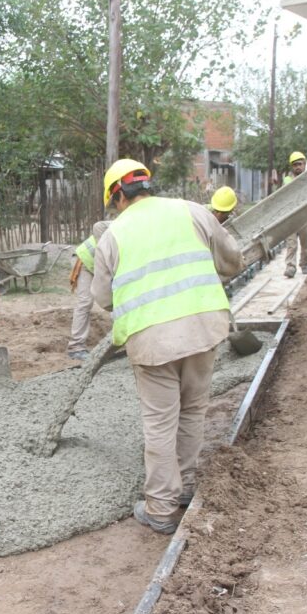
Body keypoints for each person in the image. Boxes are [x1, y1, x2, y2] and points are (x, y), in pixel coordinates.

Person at [91, 158, 244, 535]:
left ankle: (160, 508)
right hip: (203, 328)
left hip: (152, 340)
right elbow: (233, 260)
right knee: (192, 410)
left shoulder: (112, 236)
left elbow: (103, 298)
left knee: (160, 422)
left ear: (117, 196)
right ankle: (186, 487)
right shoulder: (192, 211)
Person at [66, 220, 112, 361]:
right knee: (85, 302)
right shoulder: (124, 223)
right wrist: (103, 248)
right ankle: (76, 347)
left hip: (101, 266)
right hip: (86, 260)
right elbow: (98, 226)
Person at [283, 151, 307, 278]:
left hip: (305, 217)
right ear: (292, 167)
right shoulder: (287, 180)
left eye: (300, 164)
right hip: (291, 218)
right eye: (295, 165)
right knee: (291, 244)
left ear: (304, 164)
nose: (298, 167)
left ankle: (304, 264)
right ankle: (290, 267)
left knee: (305, 243)